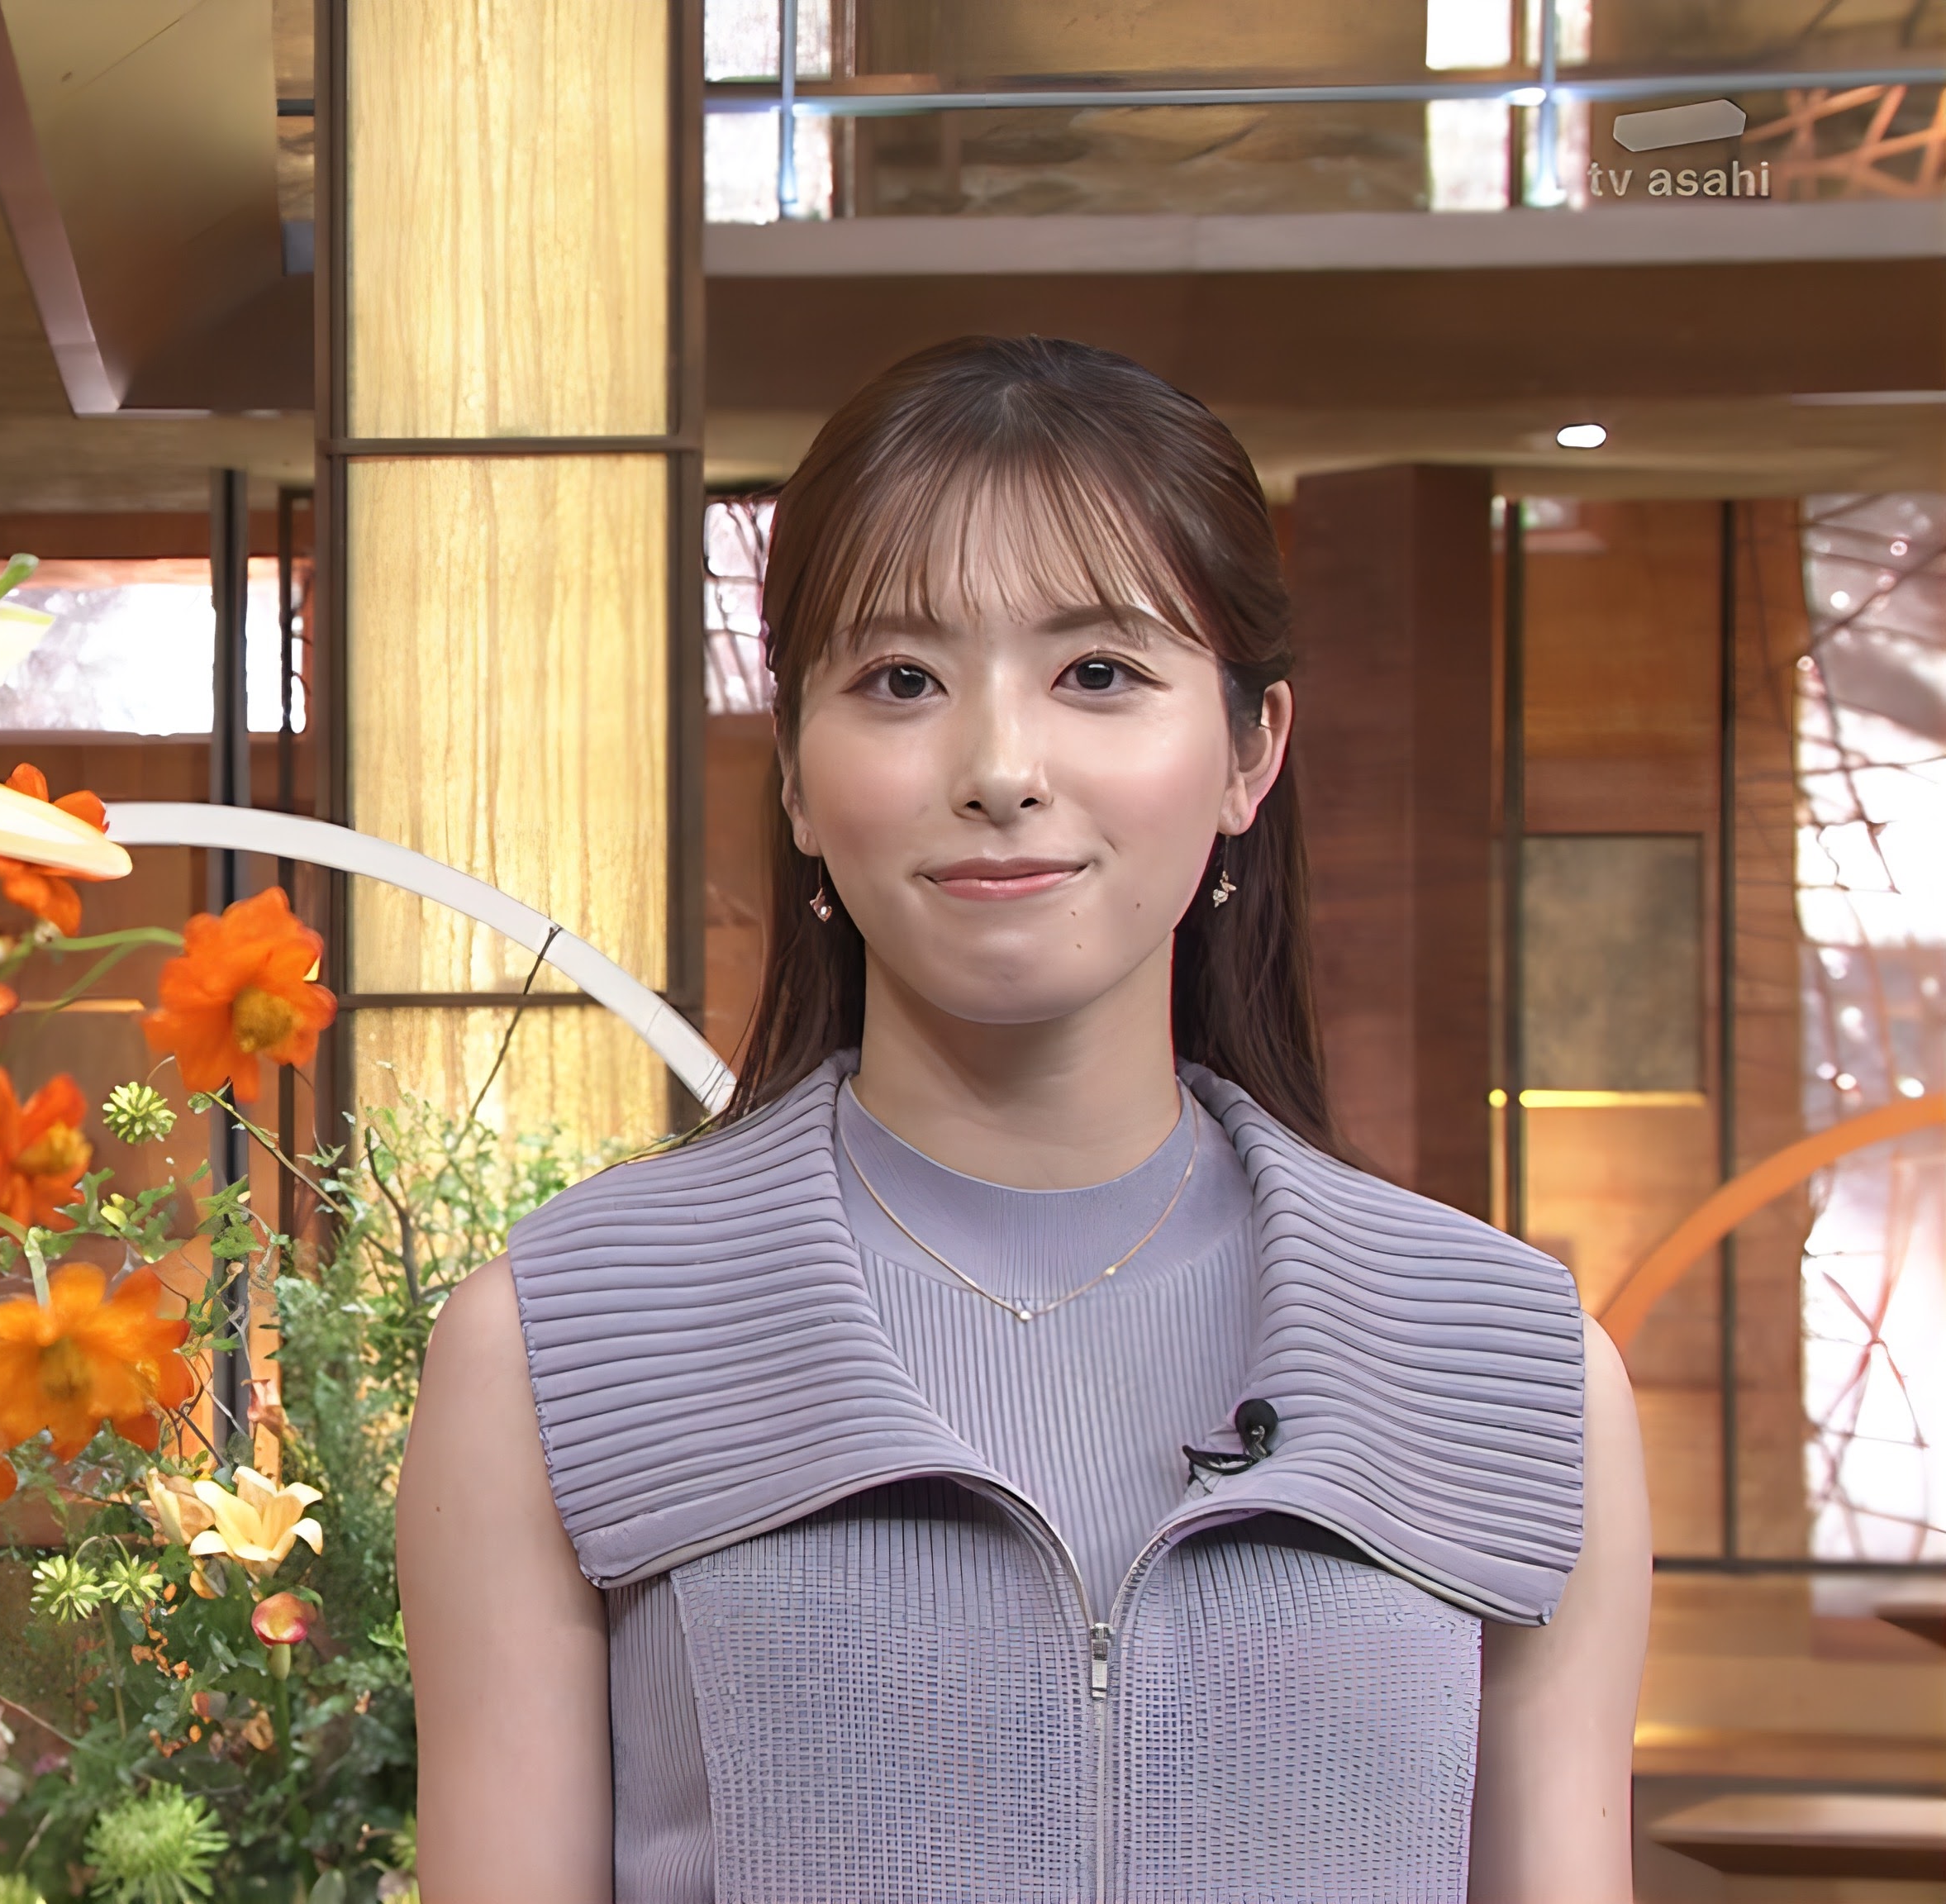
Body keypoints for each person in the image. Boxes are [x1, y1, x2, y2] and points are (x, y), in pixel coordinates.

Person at [397, 336, 1649, 1904]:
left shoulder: (1515, 1366)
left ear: (1251, 750)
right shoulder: (557, 1348)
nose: (999, 768)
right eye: (900, 681)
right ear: (795, 774)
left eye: (1099, 674)